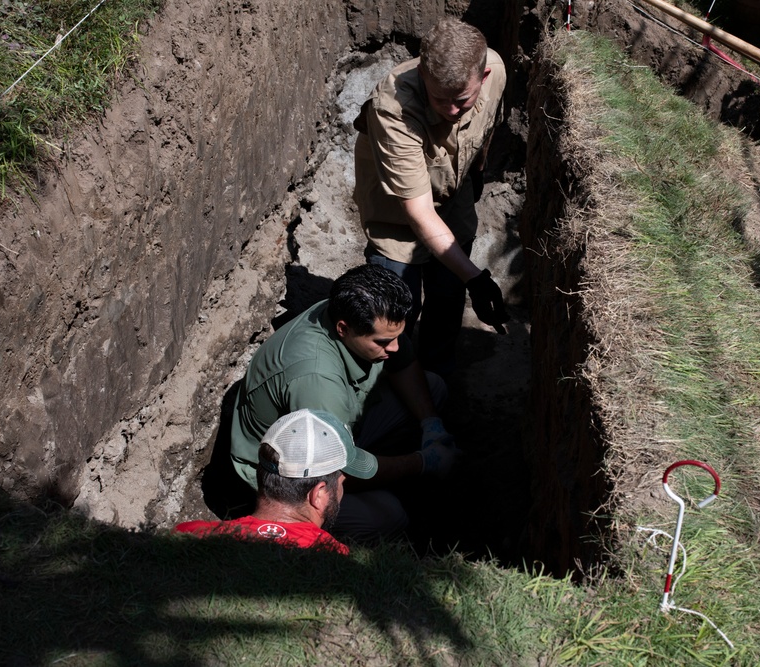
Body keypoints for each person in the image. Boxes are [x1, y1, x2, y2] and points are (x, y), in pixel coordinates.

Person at [226, 263, 458, 544]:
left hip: (336, 423)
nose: (394, 347)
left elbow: (404, 362)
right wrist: (422, 463)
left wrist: (430, 423)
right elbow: (338, 466)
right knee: (387, 516)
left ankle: (392, 466)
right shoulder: (316, 379)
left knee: (432, 389)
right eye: (384, 342)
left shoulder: (358, 313)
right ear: (343, 329)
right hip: (286, 475)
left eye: (398, 336)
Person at [353, 16, 510, 376]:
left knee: (448, 293)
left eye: (462, 100)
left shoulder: (495, 69)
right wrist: (478, 279)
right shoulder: (393, 110)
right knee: (395, 312)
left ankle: (438, 377)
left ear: (482, 79)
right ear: (423, 75)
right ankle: (395, 389)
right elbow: (420, 214)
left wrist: (475, 177)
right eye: (441, 100)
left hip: (453, 188)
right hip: (397, 213)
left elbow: (486, 128)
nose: (452, 111)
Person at [176, 409, 359, 555]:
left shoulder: (190, 534)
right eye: (342, 483)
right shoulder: (332, 556)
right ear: (318, 494)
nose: (341, 490)